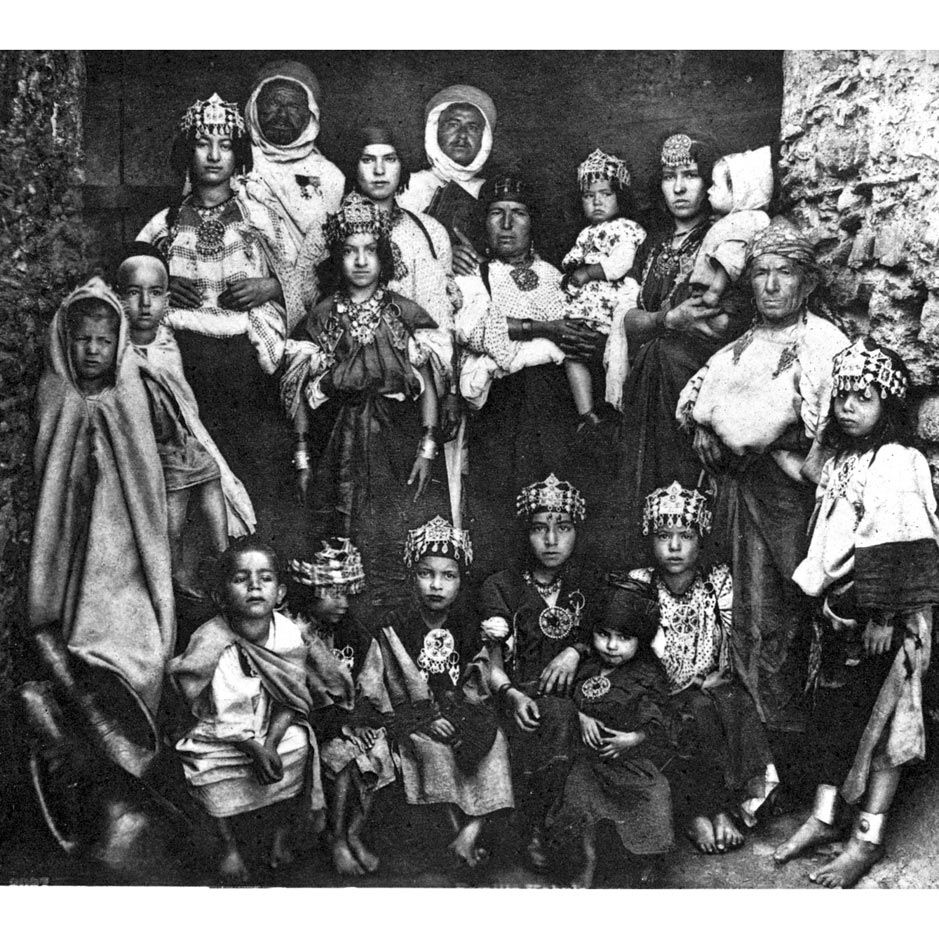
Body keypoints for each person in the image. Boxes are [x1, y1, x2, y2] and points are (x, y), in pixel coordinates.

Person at [774, 339, 939, 888]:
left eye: (864, 396)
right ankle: (824, 818)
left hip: (885, 616)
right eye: (842, 394)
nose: (848, 405)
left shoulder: (896, 460)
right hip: (840, 612)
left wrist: (884, 617)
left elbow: (900, 535)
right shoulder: (846, 459)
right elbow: (815, 477)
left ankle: (867, 839)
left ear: (888, 405)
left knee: (887, 727)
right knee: (835, 719)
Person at [676, 218, 850, 734]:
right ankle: (749, 739)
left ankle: (790, 739)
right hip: (739, 497)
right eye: (760, 273)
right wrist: (702, 429)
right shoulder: (744, 343)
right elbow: (696, 395)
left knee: (784, 616)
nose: (771, 286)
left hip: (790, 507)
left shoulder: (824, 343)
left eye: (785, 273)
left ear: (808, 282)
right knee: (744, 611)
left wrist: (772, 445)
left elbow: (831, 436)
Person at [284, 192, 450, 627]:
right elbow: (299, 393)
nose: (360, 261)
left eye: (370, 251)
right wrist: (302, 458)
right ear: (336, 259)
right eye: (349, 251)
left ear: (384, 257)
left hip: (395, 442)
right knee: (335, 531)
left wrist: (427, 448)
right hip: (333, 444)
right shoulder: (320, 318)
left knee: (391, 530)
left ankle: (389, 629)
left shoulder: (404, 314)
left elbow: (429, 386)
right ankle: (341, 632)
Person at [29, 277, 175, 755]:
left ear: (118, 344)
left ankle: (133, 734)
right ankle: (94, 740)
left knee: (140, 647)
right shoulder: (56, 395)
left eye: (103, 341)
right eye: (83, 340)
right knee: (74, 637)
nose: (93, 350)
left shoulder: (132, 393)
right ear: (65, 342)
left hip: (125, 548)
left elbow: (147, 478)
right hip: (75, 545)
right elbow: (52, 483)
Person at [169, 538, 353, 881]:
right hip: (220, 729)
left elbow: (292, 696)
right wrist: (253, 748)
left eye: (265, 578)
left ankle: (281, 833)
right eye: (241, 579)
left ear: (280, 593)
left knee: (299, 746)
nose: (255, 586)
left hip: (271, 724)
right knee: (204, 765)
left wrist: (270, 742)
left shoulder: (287, 634)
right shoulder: (214, 640)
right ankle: (228, 846)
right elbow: (227, 710)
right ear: (220, 596)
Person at [454, 174, 605, 578]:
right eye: (497, 213)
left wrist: (571, 335)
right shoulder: (473, 274)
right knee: (503, 511)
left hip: (554, 405)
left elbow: (581, 330)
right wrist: (546, 329)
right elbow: (474, 330)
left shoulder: (557, 276)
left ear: (533, 221)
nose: (507, 224)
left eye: (518, 213)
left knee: (553, 504)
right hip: (502, 408)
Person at [613, 132, 748, 568]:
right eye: (669, 176)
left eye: (690, 175)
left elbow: (727, 323)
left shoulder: (722, 239)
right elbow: (627, 320)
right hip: (646, 384)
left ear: (708, 183)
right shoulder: (649, 246)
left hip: (692, 385)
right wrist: (665, 320)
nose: (679, 187)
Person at [629, 482, 778, 854]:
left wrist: (717, 675)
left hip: (710, 688)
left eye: (686, 536)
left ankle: (721, 809)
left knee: (719, 706)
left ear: (700, 539)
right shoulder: (640, 583)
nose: (674, 547)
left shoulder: (716, 581)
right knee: (686, 713)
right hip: (656, 692)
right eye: (663, 536)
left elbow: (733, 637)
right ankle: (698, 814)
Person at [116, 245, 257, 600]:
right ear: (118, 299)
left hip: (174, 439)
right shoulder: (116, 347)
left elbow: (182, 402)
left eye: (155, 293)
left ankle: (223, 554)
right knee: (176, 496)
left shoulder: (167, 342)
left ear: (166, 301)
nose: (145, 304)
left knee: (209, 471)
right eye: (133, 293)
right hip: (143, 446)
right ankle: (172, 566)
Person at [478, 475, 599, 871]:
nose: (551, 540)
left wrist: (575, 650)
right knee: (552, 719)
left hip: (578, 698)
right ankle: (535, 828)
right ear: (525, 533)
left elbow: (607, 640)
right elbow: (491, 662)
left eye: (563, 528)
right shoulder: (501, 586)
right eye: (539, 529)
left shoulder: (588, 584)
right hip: (518, 699)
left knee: (568, 716)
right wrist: (511, 694)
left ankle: (559, 830)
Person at [377, 516, 513, 868]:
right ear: (412, 577)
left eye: (448, 576)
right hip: (418, 719)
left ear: (460, 581)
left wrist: (462, 714)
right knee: (430, 751)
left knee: (494, 743)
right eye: (426, 573)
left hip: (462, 714)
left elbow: (477, 678)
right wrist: (425, 717)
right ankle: (454, 833)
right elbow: (390, 681)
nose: (436, 585)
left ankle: (471, 830)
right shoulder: (397, 625)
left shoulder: (467, 626)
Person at [547, 580, 675, 888]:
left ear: (640, 640)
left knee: (655, 794)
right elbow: (557, 697)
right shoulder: (585, 665)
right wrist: (579, 717)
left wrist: (633, 739)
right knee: (579, 795)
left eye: (624, 638)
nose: (611, 646)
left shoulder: (648, 674)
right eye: (603, 634)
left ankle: (648, 858)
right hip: (586, 761)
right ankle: (587, 860)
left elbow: (660, 718)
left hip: (629, 762)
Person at [286, 538, 395, 876]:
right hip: (313, 724)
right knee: (343, 755)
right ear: (311, 592)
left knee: (379, 749)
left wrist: (363, 721)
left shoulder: (356, 635)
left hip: (351, 720)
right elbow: (298, 691)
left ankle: (353, 832)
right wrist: (342, 726)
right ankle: (335, 838)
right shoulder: (294, 635)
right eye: (332, 594)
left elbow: (370, 684)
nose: (343, 603)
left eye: (346, 593)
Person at [560, 149, 645, 422]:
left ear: (620, 197)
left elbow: (620, 263)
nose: (597, 201)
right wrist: (571, 271)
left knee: (608, 356)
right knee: (571, 355)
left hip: (608, 301)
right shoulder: (585, 233)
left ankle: (615, 407)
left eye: (606, 194)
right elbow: (572, 259)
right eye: (589, 196)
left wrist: (587, 273)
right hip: (583, 305)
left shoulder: (624, 228)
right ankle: (586, 412)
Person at [238, 59, 345, 268]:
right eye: (273, 103)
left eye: (293, 106)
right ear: (254, 107)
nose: (282, 115)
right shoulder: (236, 161)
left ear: (310, 114)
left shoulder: (330, 176)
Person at [397, 84, 497, 273]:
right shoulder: (409, 187)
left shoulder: (494, 192)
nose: (462, 135)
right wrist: (443, 256)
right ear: (434, 130)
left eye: (473, 127)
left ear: (484, 138)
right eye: (453, 125)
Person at [691, 146, 773, 310]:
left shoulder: (747, 222)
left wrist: (714, 292)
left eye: (715, 185)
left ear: (739, 192)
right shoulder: (739, 219)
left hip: (720, 294)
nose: (709, 191)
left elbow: (730, 260)